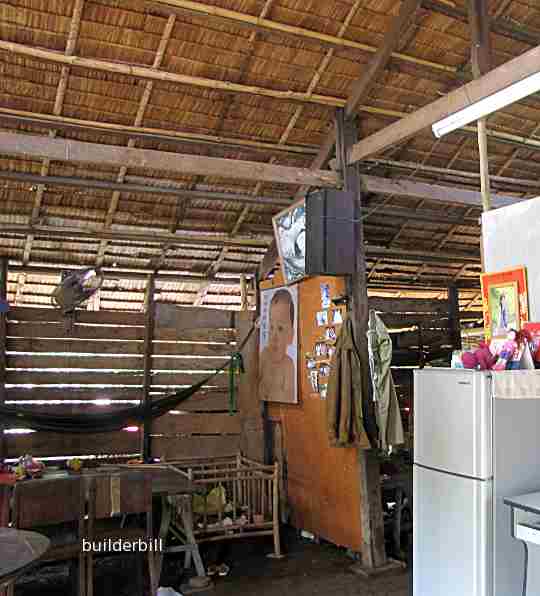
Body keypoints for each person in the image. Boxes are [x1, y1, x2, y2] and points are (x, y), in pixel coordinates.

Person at [259, 289, 295, 402]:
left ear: (290, 335)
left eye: (280, 328)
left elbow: (290, 397)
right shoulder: (264, 356)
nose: (274, 337)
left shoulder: (288, 365)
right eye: (271, 327)